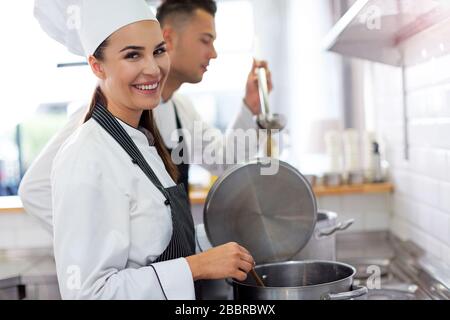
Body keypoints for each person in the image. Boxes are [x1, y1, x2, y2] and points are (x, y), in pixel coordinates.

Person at [35, 0, 255, 300]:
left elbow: (150, 242)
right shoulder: (85, 155)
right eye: (133, 55)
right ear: (97, 66)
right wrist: (195, 266)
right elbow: (90, 294)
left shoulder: (145, 141)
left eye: (158, 51)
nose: (152, 69)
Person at [19, 0, 273, 233]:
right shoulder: (104, 113)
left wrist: (251, 107)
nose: (214, 53)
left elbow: (225, 160)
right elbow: (35, 189)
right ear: (169, 38)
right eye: (205, 40)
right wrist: (109, 244)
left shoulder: (179, 108)